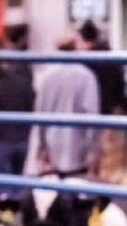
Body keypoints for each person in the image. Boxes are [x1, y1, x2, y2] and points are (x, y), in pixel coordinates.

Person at [28, 34, 100, 178]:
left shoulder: (47, 75)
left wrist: (42, 147)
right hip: (78, 143)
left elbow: (40, 114)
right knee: (77, 188)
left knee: (55, 190)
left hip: (52, 141)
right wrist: (92, 151)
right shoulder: (86, 76)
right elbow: (92, 116)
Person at [0, 26, 35, 183]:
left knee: (4, 186)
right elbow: (31, 106)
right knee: (20, 182)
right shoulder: (24, 78)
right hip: (22, 136)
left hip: (1, 140)